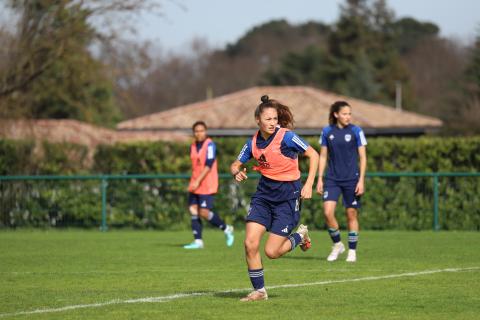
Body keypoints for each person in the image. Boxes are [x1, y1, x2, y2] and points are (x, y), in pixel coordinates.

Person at [230, 95, 319, 301]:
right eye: (268, 119)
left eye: (275, 119)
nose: (272, 123)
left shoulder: (287, 137)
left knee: (272, 252)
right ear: (258, 120)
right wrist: (236, 171)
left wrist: (309, 184)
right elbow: (235, 163)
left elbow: (313, 155)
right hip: (263, 197)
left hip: (288, 200)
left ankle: (300, 236)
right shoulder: (252, 142)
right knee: (250, 244)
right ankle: (260, 291)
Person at [316, 101, 367, 262]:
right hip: (332, 179)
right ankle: (337, 244)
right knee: (327, 212)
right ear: (336, 114)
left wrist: (361, 180)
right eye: (344, 114)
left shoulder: (356, 131)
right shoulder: (327, 131)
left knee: (351, 213)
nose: (348, 117)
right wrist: (319, 178)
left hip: (352, 179)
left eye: (349, 114)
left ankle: (352, 251)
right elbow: (323, 156)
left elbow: (363, 157)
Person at [184, 121, 234, 249]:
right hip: (195, 182)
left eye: (201, 130)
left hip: (206, 183)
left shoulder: (210, 145)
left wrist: (197, 181)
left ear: (205, 131)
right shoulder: (193, 146)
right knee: (193, 210)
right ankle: (198, 242)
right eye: (196, 131)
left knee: (204, 212)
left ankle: (226, 228)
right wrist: (193, 181)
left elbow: (209, 164)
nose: (199, 133)